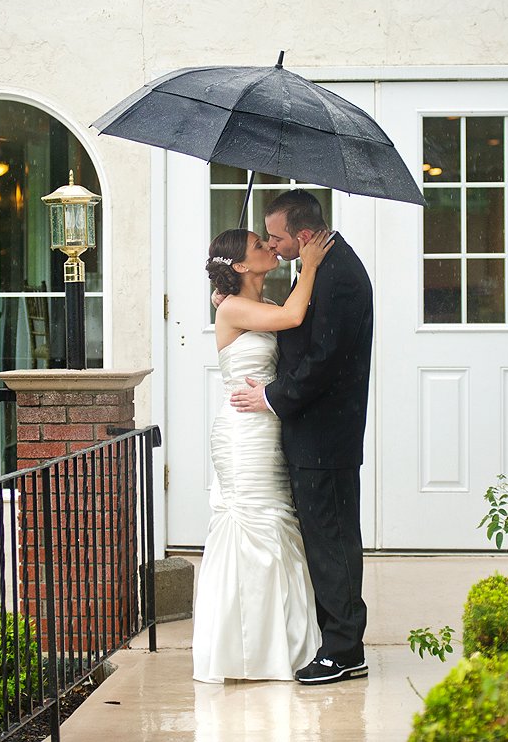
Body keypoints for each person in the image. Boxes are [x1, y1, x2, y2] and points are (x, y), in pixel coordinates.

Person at [229, 189, 373, 685]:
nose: (272, 244)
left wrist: (271, 397)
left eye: (277, 236)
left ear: (305, 235)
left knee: (331, 541)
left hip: (325, 435)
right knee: (322, 538)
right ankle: (336, 640)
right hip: (310, 434)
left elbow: (323, 364)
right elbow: (296, 332)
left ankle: (343, 651)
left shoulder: (341, 276)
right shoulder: (319, 269)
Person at [192, 225, 334, 684]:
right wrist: (307, 265)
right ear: (239, 266)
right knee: (253, 523)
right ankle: (245, 650)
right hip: (241, 432)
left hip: (269, 424)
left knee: (278, 523)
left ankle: (283, 644)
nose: (269, 247)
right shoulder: (233, 307)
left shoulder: (261, 305)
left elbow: (291, 323)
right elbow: (295, 317)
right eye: (259, 245)